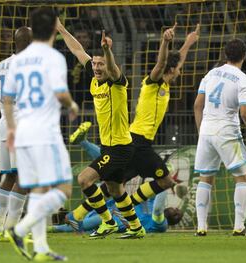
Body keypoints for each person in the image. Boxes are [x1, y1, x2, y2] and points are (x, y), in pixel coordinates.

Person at [67, 23, 200, 231]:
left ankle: (79, 216)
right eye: (178, 69)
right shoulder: (154, 82)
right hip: (138, 142)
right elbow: (162, 62)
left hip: (132, 141)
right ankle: (114, 215)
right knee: (162, 182)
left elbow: (172, 62)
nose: (179, 72)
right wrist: (165, 42)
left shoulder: (164, 84)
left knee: (112, 187)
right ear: (171, 70)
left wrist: (189, 42)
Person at [57, 20, 145, 240]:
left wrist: (107, 51)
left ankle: (108, 222)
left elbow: (114, 70)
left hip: (120, 147)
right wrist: (60, 29)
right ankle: (136, 227)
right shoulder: (95, 78)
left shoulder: (117, 83)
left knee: (84, 179)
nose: (96, 68)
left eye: (100, 65)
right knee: (115, 189)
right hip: (110, 145)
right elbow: (77, 49)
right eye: (95, 64)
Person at [3, 8, 79, 262]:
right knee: (64, 188)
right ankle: (20, 230)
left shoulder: (18, 60)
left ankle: (41, 249)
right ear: (54, 29)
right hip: (45, 133)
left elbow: (6, 98)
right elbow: (60, 93)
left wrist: (12, 128)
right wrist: (72, 106)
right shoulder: (53, 57)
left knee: (38, 190)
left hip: (22, 132)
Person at [193, 38, 246, 236]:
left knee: (205, 178)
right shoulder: (243, 79)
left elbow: (198, 105)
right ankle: (239, 226)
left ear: (226, 55)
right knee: (242, 177)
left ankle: (201, 227)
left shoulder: (210, 74)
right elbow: (245, 112)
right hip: (227, 132)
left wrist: (202, 132)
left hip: (207, 130)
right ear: (244, 56)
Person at [0, 26, 32, 242]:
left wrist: (5, 113)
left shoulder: (2, 65)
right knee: (24, 177)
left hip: (5, 125)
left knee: (10, 175)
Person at [50, 191, 181, 234]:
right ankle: (65, 219)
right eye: (177, 210)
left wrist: (165, 180)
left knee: (82, 226)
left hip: (116, 222)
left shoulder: (161, 224)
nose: (176, 212)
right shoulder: (151, 201)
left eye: (177, 216)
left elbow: (158, 209)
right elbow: (155, 189)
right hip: (113, 207)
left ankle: (56, 226)